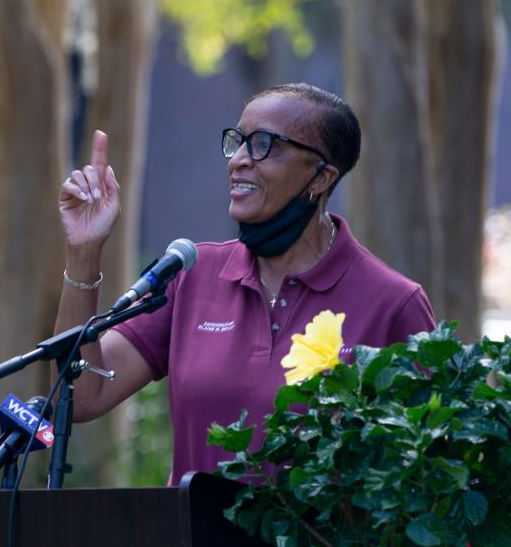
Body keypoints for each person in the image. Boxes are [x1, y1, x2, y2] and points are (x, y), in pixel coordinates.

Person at [54, 83, 435, 485]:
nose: (238, 160)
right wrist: (84, 251)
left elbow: (426, 474)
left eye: (264, 144)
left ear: (321, 178)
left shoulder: (393, 303)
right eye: (237, 142)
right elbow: (81, 395)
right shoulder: (192, 274)